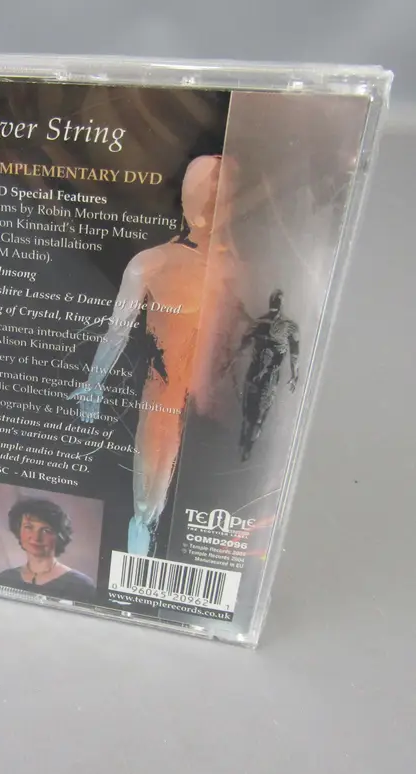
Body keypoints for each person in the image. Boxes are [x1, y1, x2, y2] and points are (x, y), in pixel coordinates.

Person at [71, 154, 233, 557]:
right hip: (166, 398)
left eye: (225, 195)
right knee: (147, 507)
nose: (215, 205)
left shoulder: (242, 265)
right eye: (208, 195)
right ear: (189, 200)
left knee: (211, 495)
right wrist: (94, 384)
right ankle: (137, 573)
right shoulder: (153, 262)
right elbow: (118, 330)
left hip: (223, 403)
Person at [230, 289, 300, 461]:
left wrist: (232, 360)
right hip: (268, 378)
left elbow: (243, 345)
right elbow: (294, 355)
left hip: (257, 376)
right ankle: (247, 447)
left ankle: (245, 445)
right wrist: (294, 374)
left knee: (250, 416)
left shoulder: (259, 322)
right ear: (282, 304)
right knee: (257, 418)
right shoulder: (289, 326)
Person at [0, 498, 97, 602]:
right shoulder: (6, 577)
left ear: (60, 536)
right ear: (18, 530)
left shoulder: (81, 585)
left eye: (46, 530)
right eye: (28, 527)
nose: (36, 537)